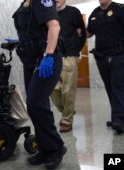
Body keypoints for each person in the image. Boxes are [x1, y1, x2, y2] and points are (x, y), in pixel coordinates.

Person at [13, 0, 66, 169]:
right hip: (30, 61)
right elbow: (31, 31)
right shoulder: (24, 4)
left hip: (46, 59)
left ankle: (56, 147)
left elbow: (54, 26)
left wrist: (49, 55)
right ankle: (45, 148)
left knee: (35, 103)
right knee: (35, 106)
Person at [87, 0, 124, 134]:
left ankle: (119, 120)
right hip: (102, 57)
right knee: (109, 87)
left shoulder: (120, 9)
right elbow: (89, 32)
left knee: (118, 86)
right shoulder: (95, 13)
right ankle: (117, 116)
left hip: (119, 56)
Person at [50, 0, 86, 133]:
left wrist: (75, 50)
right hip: (51, 55)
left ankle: (66, 120)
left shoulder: (73, 12)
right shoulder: (48, 13)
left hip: (69, 55)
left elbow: (81, 35)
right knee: (52, 89)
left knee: (68, 89)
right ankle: (68, 111)